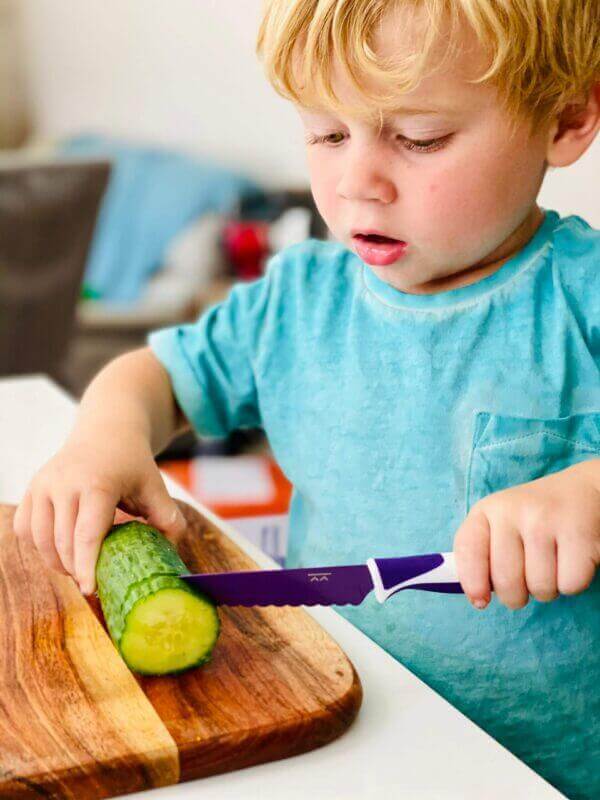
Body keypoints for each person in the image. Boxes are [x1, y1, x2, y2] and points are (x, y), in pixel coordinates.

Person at [14, 2, 599, 797]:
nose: (357, 183)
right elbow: (152, 377)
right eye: (327, 134)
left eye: (420, 137)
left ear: (565, 121)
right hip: (336, 734)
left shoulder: (583, 297)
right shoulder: (299, 299)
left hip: (542, 773)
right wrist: (102, 441)